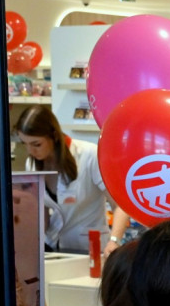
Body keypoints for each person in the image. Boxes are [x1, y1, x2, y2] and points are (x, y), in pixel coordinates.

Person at [15, 105, 130, 254]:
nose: (30, 151)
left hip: (89, 249)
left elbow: (120, 204)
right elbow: (42, 213)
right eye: (25, 144)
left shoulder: (90, 155)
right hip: (53, 248)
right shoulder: (31, 164)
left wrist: (114, 241)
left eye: (36, 144)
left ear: (54, 135)